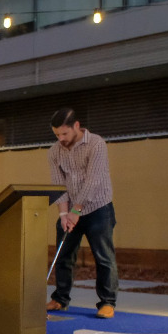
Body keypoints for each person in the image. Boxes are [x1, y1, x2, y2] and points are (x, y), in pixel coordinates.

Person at [47, 107, 117, 319]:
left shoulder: (96, 144)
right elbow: (58, 185)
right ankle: (60, 299)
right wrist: (63, 215)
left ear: (76, 126)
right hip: (69, 211)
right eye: (57, 134)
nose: (61, 138)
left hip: (98, 208)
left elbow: (93, 180)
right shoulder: (54, 151)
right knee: (64, 256)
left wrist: (76, 211)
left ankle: (107, 303)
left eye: (64, 133)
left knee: (103, 257)